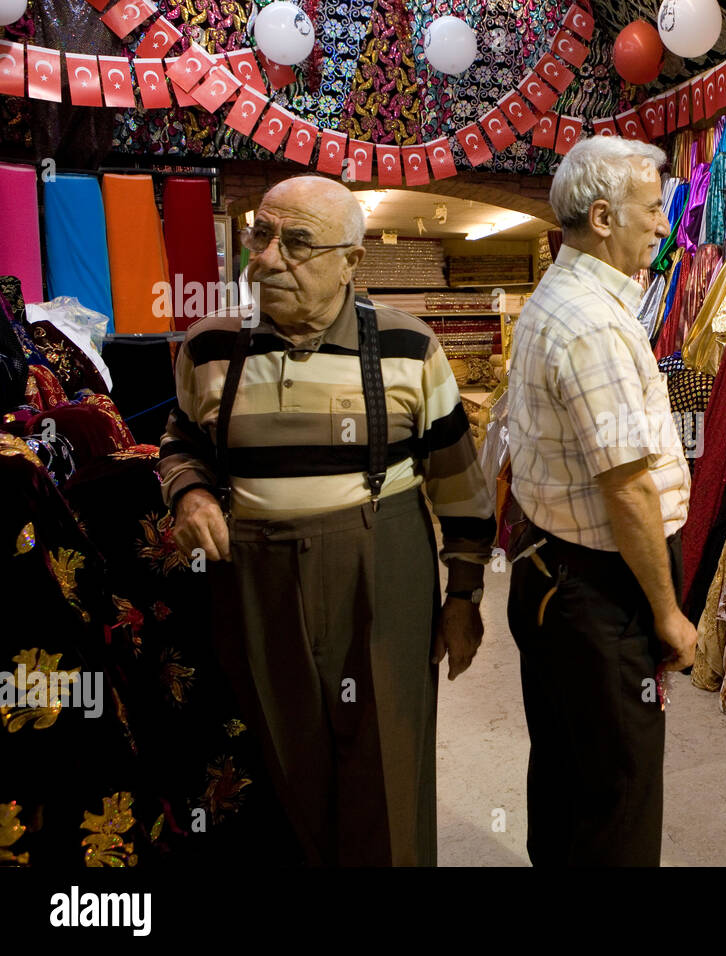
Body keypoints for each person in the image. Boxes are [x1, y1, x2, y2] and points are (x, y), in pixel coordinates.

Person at [158, 175, 496, 866]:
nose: (267, 258)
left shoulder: (409, 347)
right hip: (255, 580)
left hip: (383, 572)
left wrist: (462, 598)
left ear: (351, 260)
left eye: (298, 243)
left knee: (388, 764)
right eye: (263, 234)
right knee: (281, 762)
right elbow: (181, 441)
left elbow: (461, 489)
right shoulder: (208, 347)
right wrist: (189, 494)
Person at [505, 136, 696, 866]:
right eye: (653, 209)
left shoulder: (570, 301)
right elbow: (628, 486)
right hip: (600, 592)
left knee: (567, 773)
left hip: (559, 578)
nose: (664, 225)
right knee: (619, 790)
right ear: (604, 216)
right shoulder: (593, 325)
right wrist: (669, 614)